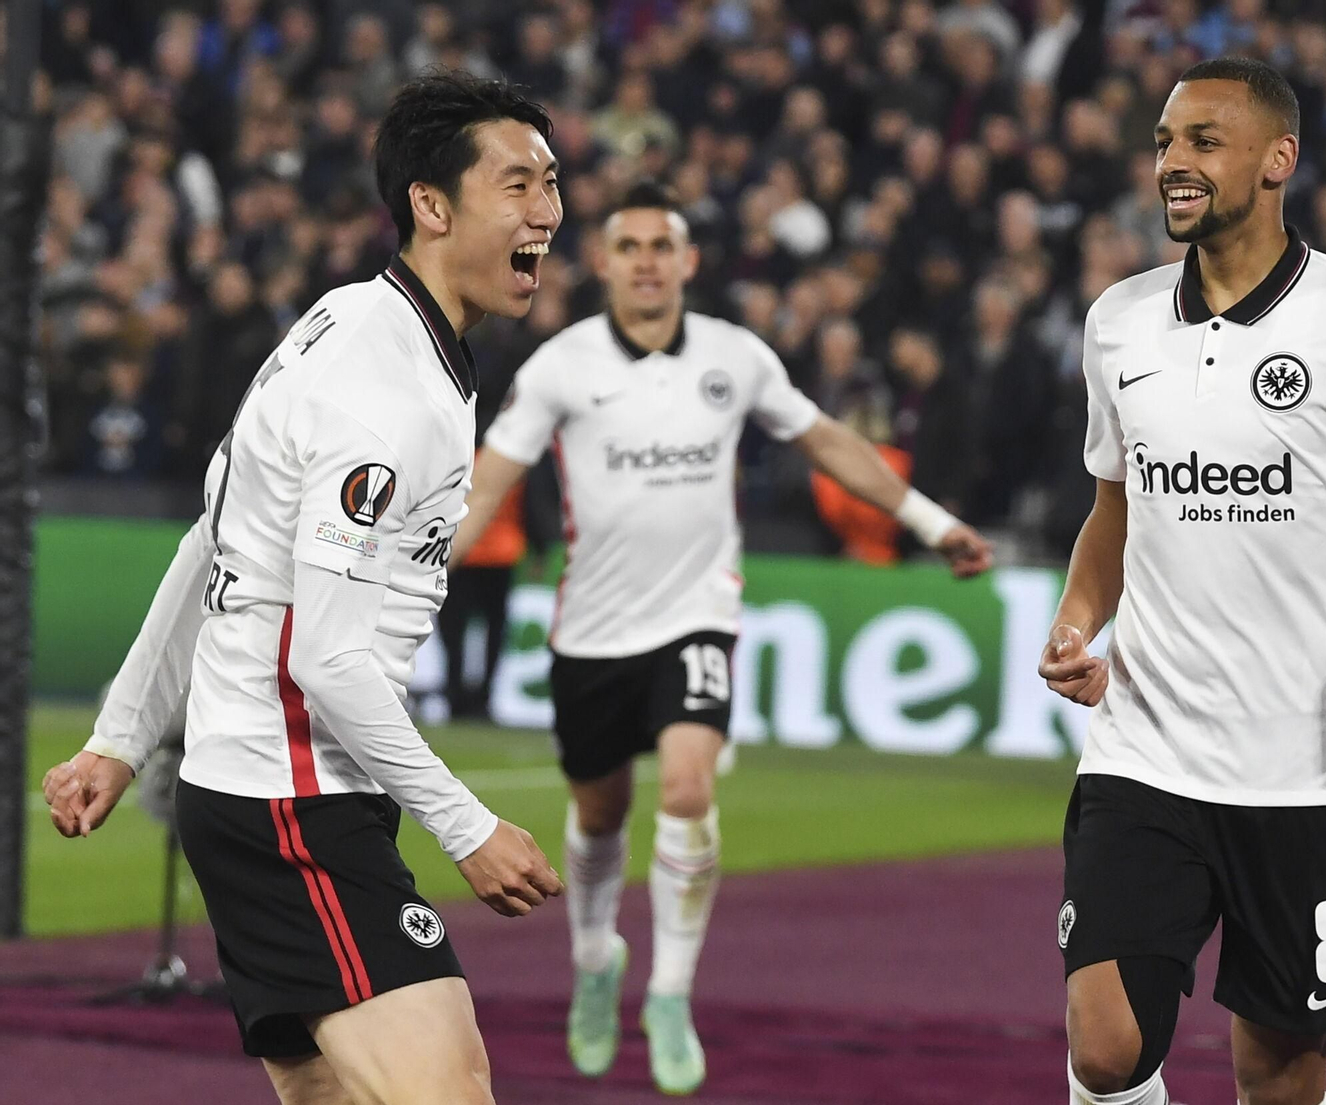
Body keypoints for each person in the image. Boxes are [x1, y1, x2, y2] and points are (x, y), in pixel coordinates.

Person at [41, 72, 568, 1105]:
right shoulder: (385, 393)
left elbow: (215, 536)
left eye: (550, 182)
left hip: (265, 791)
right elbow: (327, 660)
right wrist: (467, 826)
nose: (546, 210)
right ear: (430, 203)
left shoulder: (348, 318)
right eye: (516, 184)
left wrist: (121, 734)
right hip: (292, 804)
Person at [449, 180, 994, 1095]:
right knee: (598, 816)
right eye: (630, 247)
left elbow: (828, 442)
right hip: (592, 631)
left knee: (689, 788)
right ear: (605, 263)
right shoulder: (560, 366)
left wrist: (932, 522)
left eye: (662, 246)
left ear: (690, 260)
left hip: (696, 616)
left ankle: (670, 992)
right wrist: (418, 571)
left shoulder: (735, 357)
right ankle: (595, 959)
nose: (647, 263)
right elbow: (489, 480)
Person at [1037, 59, 1326, 1105]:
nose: (1173, 162)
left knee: (1278, 1074)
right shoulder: (1119, 322)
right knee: (1105, 1048)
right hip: (1146, 748)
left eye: (1204, 141)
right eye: (1164, 141)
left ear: (1277, 159)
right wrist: (1076, 618)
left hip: (1306, 769)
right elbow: (1114, 509)